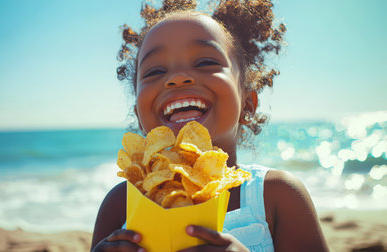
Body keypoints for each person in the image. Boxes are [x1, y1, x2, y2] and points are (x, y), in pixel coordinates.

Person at [91, 0, 328, 251]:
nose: (178, 77)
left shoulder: (278, 195)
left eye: (205, 62)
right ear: (139, 116)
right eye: (154, 71)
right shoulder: (120, 204)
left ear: (247, 103)